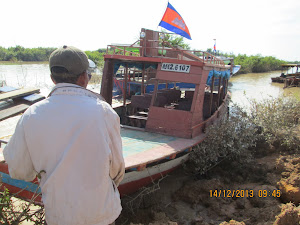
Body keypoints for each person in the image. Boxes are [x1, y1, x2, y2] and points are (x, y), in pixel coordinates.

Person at [3, 46, 125, 225]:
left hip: (59, 216)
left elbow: (19, 170)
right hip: (101, 215)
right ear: (84, 78)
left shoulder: (31, 114)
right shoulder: (103, 112)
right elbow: (117, 169)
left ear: (52, 79)